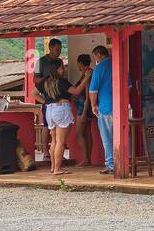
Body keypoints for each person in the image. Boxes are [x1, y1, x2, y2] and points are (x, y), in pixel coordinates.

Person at [37, 62, 83, 176]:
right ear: (57, 70)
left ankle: (53, 167)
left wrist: (47, 102)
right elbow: (76, 91)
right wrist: (86, 78)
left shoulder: (46, 81)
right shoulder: (61, 81)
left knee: (54, 141)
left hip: (49, 110)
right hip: (61, 110)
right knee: (61, 142)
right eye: (62, 68)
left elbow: (34, 94)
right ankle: (58, 169)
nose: (64, 70)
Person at [88, 44, 114, 174]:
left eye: (95, 57)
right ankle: (126, 162)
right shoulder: (119, 64)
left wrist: (93, 105)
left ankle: (111, 165)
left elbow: (93, 90)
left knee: (107, 138)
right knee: (123, 136)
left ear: (99, 54)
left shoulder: (99, 69)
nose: (95, 60)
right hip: (122, 108)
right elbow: (129, 87)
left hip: (105, 108)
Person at [71, 53, 94, 166]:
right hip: (86, 106)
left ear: (80, 63)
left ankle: (86, 159)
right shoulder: (88, 72)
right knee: (87, 132)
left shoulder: (87, 74)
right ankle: (88, 159)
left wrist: (84, 112)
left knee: (79, 134)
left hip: (83, 107)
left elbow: (87, 94)